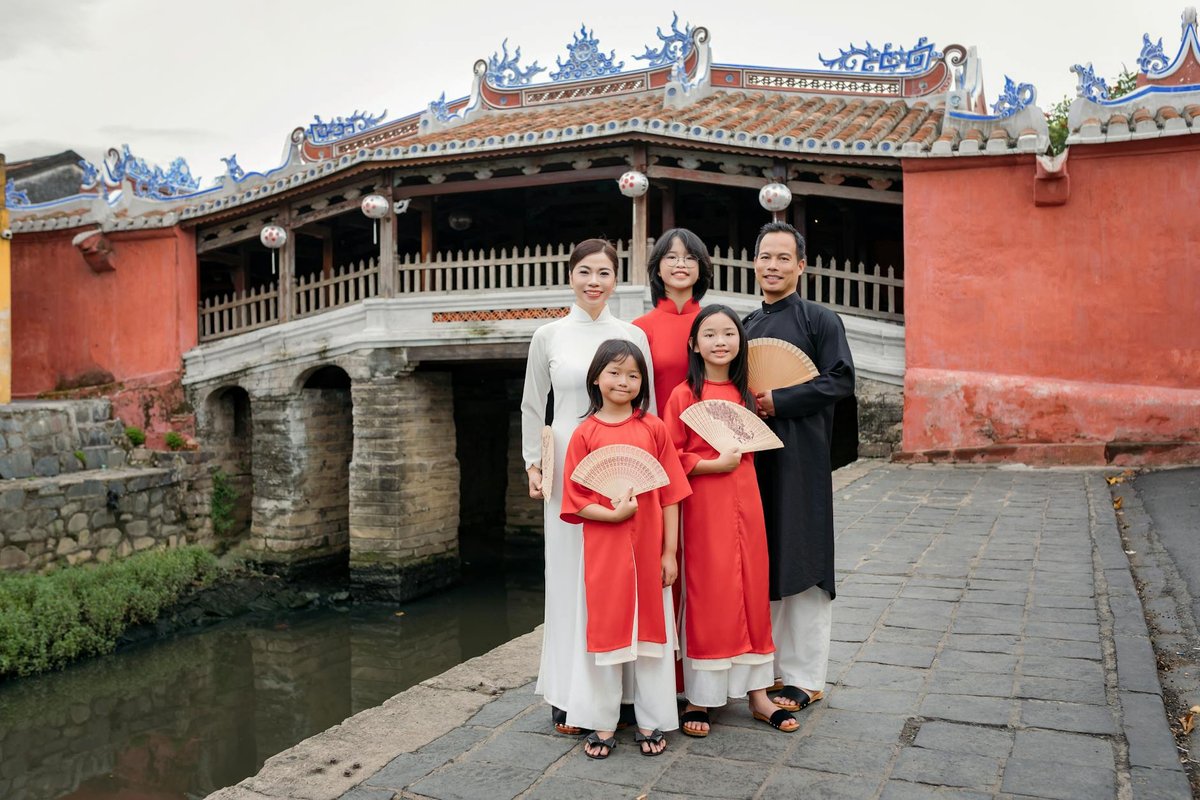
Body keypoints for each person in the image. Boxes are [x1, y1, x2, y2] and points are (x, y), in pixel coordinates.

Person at [520, 239, 655, 736]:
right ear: (570, 276)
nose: (593, 281)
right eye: (584, 271)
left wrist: (643, 477)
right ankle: (567, 691)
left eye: (603, 272)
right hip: (567, 474)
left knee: (617, 576)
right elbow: (534, 406)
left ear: (615, 279)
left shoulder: (630, 334)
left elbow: (648, 406)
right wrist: (534, 464)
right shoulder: (548, 335)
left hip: (620, 471)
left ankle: (620, 692)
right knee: (568, 577)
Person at [662, 305, 799, 736]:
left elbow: (754, 447)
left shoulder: (747, 395)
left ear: (740, 343)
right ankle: (700, 697)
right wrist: (708, 465)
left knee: (752, 588)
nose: (720, 342)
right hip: (703, 505)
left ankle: (758, 693)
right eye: (710, 334)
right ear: (694, 344)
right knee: (711, 589)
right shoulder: (684, 395)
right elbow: (669, 458)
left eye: (729, 334)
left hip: (747, 504)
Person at [742, 221, 855, 714]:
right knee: (762, 561)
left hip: (802, 459)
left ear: (801, 266)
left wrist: (780, 401)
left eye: (783, 258)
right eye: (766, 257)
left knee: (804, 561)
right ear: (755, 263)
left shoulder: (819, 321)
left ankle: (806, 677)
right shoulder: (743, 328)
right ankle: (765, 670)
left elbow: (840, 380)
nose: (773, 266)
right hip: (752, 460)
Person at [559, 339, 691, 758]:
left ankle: (651, 720)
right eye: (614, 372)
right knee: (608, 635)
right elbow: (575, 499)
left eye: (633, 374)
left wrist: (670, 552)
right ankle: (603, 722)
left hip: (651, 548)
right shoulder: (585, 433)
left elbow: (671, 495)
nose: (623, 381)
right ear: (596, 377)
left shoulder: (653, 428)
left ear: (643, 382)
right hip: (605, 550)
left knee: (653, 638)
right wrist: (612, 516)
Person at [633, 228, 713, 417]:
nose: (681, 264)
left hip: (709, 436)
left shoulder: (716, 325)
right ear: (658, 269)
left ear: (701, 270)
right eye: (671, 257)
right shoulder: (639, 329)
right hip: (656, 434)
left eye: (690, 257)